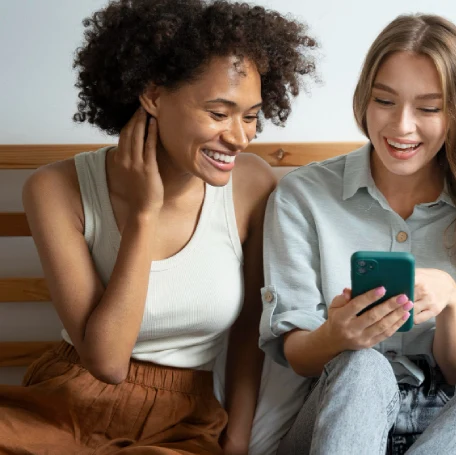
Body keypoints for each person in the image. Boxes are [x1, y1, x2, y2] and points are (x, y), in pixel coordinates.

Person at [0, 0, 315, 453]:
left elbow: (250, 328)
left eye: (250, 116)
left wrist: (239, 437)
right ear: (152, 95)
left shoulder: (251, 185)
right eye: (218, 113)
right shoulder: (54, 188)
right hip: (62, 407)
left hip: (182, 422)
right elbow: (106, 362)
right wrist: (144, 214)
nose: (240, 137)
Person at [259, 13, 456, 455]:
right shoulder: (303, 196)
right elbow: (297, 356)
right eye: (385, 101)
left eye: (429, 108)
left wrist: (452, 303)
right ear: (364, 99)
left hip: (450, 426)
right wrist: (337, 337)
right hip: (338, 415)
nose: (401, 126)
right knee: (363, 366)